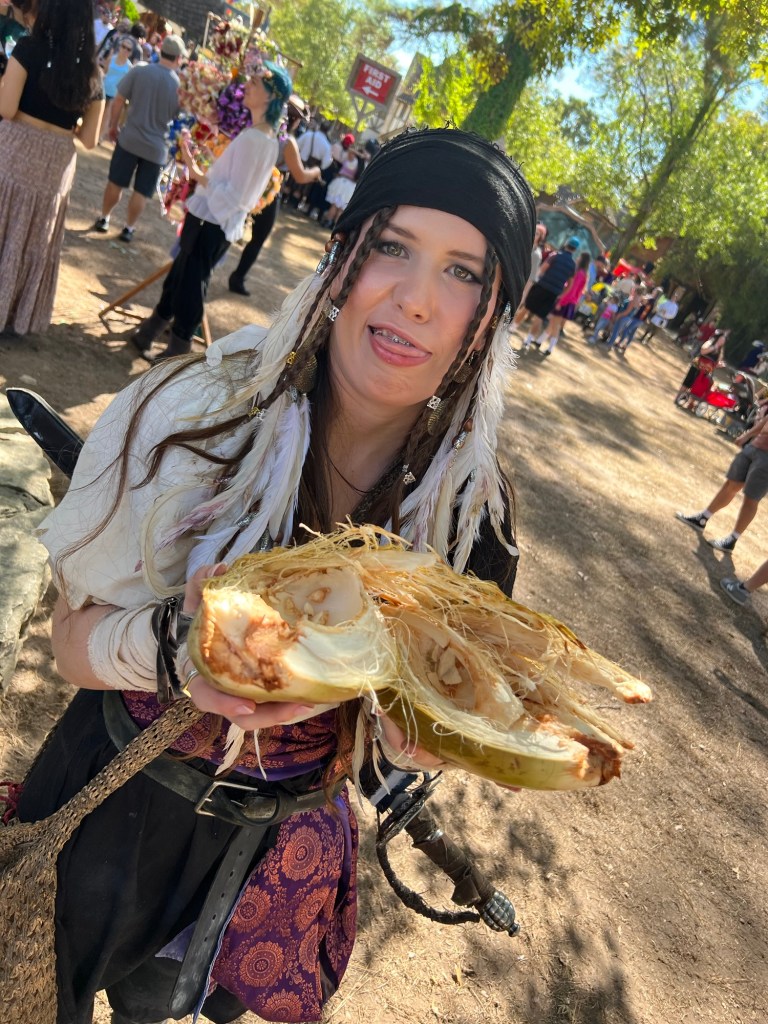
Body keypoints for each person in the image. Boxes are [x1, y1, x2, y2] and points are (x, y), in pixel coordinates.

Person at [16, 126, 535, 1024]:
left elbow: (412, 732)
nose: (416, 299)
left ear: (492, 318)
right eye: (392, 247)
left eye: (463, 272)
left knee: (153, 1009)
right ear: (343, 258)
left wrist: (423, 734)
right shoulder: (193, 423)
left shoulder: (469, 522)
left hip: (270, 855)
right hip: (115, 797)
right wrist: (177, 647)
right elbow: (70, 645)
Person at [130, 61, 293, 360]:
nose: (247, 87)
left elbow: (237, 195)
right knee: (179, 277)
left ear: (270, 96)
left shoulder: (256, 138)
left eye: (255, 84)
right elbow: (237, 186)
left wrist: (198, 174)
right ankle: (149, 333)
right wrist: (210, 165)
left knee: (190, 285)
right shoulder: (264, 137)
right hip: (213, 219)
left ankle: (177, 350)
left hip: (211, 221)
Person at [0, 0, 103, 340]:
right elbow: (90, 139)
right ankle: (15, 313)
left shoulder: (28, 49)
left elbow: (6, 108)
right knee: (33, 237)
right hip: (56, 162)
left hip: (17, 148)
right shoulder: (92, 73)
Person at [227, 96, 323, 296]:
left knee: (229, 225)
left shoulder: (262, 129)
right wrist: (315, 172)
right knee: (258, 238)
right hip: (269, 191)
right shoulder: (287, 142)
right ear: (295, 120)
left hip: (247, 183)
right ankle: (238, 277)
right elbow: (300, 175)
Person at [92, 33, 184, 242]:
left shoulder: (140, 71)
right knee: (141, 192)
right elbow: (179, 120)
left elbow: (118, 100)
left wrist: (113, 126)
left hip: (130, 138)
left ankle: (104, 218)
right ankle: (129, 228)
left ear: (161, 51)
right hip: (157, 148)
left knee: (116, 182)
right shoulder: (179, 87)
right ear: (178, 58)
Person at [676, 397, 768, 551]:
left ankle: (732, 539)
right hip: (754, 446)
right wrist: (747, 436)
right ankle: (703, 518)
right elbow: (765, 422)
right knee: (731, 484)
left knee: (751, 498)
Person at [512, 235, 579, 350]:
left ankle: (513, 328)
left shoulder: (555, 256)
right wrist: (561, 295)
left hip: (541, 286)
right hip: (553, 293)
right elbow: (570, 284)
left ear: (566, 244)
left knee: (527, 307)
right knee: (539, 316)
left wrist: (537, 280)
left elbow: (543, 268)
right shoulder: (573, 265)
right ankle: (528, 340)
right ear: (575, 250)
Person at [535, 250, 591, 356]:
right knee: (553, 323)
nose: (577, 258)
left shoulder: (579, 274)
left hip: (566, 301)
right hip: (569, 302)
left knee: (555, 325)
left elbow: (572, 290)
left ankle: (550, 349)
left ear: (582, 260)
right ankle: (539, 341)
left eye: (580, 257)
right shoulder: (583, 274)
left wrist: (560, 302)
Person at [99, 30, 133, 142]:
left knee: (107, 115)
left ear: (130, 53)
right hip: (104, 89)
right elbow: (105, 72)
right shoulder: (111, 58)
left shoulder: (129, 67)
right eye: (124, 47)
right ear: (120, 47)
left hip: (116, 94)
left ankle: (100, 137)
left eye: (128, 49)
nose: (125, 50)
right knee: (99, 112)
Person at [321, 141, 361, 228]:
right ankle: (334, 225)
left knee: (336, 206)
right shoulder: (358, 164)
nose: (350, 154)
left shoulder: (351, 161)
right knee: (340, 207)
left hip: (342, 184)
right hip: (348, 186)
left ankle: (329, 222)